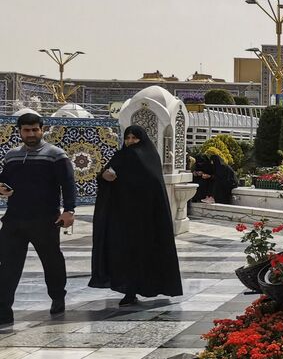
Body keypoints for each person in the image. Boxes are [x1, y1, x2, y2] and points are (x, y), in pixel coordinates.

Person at [89, 125, 183, 306]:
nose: (130, 141)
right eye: (128, 138)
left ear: (143, 139)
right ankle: (130, 291)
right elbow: (105, 176)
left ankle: (142, 288)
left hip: (145, 218)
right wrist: (104, 176)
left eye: (134, 138)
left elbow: (152, 182)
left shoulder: (147, 156)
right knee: (125, 256)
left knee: (144, 255)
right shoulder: (122, 155)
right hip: (123, 217)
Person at [0, 113, 76, 326]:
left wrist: (69, 210)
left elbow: (68, 184)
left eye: (35, 129)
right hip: (14, 220)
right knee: (7, 265)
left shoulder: (55, 155)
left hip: (45, 220)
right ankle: (3, 310)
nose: (31, 134)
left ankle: (57, 296)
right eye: (26, 130)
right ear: (20, 131)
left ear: (42, 130)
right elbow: (4, 180)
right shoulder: (12, 156)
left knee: (52, 262)